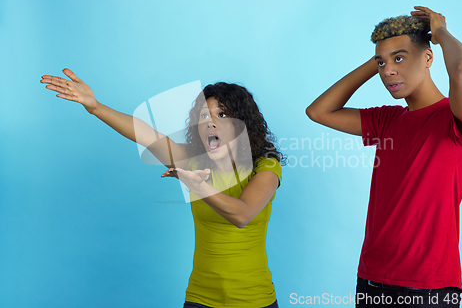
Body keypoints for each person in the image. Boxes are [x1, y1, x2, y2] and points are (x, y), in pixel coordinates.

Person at [41, 72, 285, 308]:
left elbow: (241, 215)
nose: (210, 122)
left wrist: (197, 185)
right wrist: (96, 107)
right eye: (203, 116)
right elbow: (147, 135)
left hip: (255, 301)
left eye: (222, 114)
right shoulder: (193, 160)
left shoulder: (265, 165)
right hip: (201, 299)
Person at [306, 6, 462, 307]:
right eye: (382, 63)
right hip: (372, 278)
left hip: (427, 287)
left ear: (428, 58)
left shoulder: (455, 117)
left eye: (399, 58)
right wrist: (381, 58)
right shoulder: (387, 120)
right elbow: (318, 111)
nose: (388, 70)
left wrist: (439, 33)